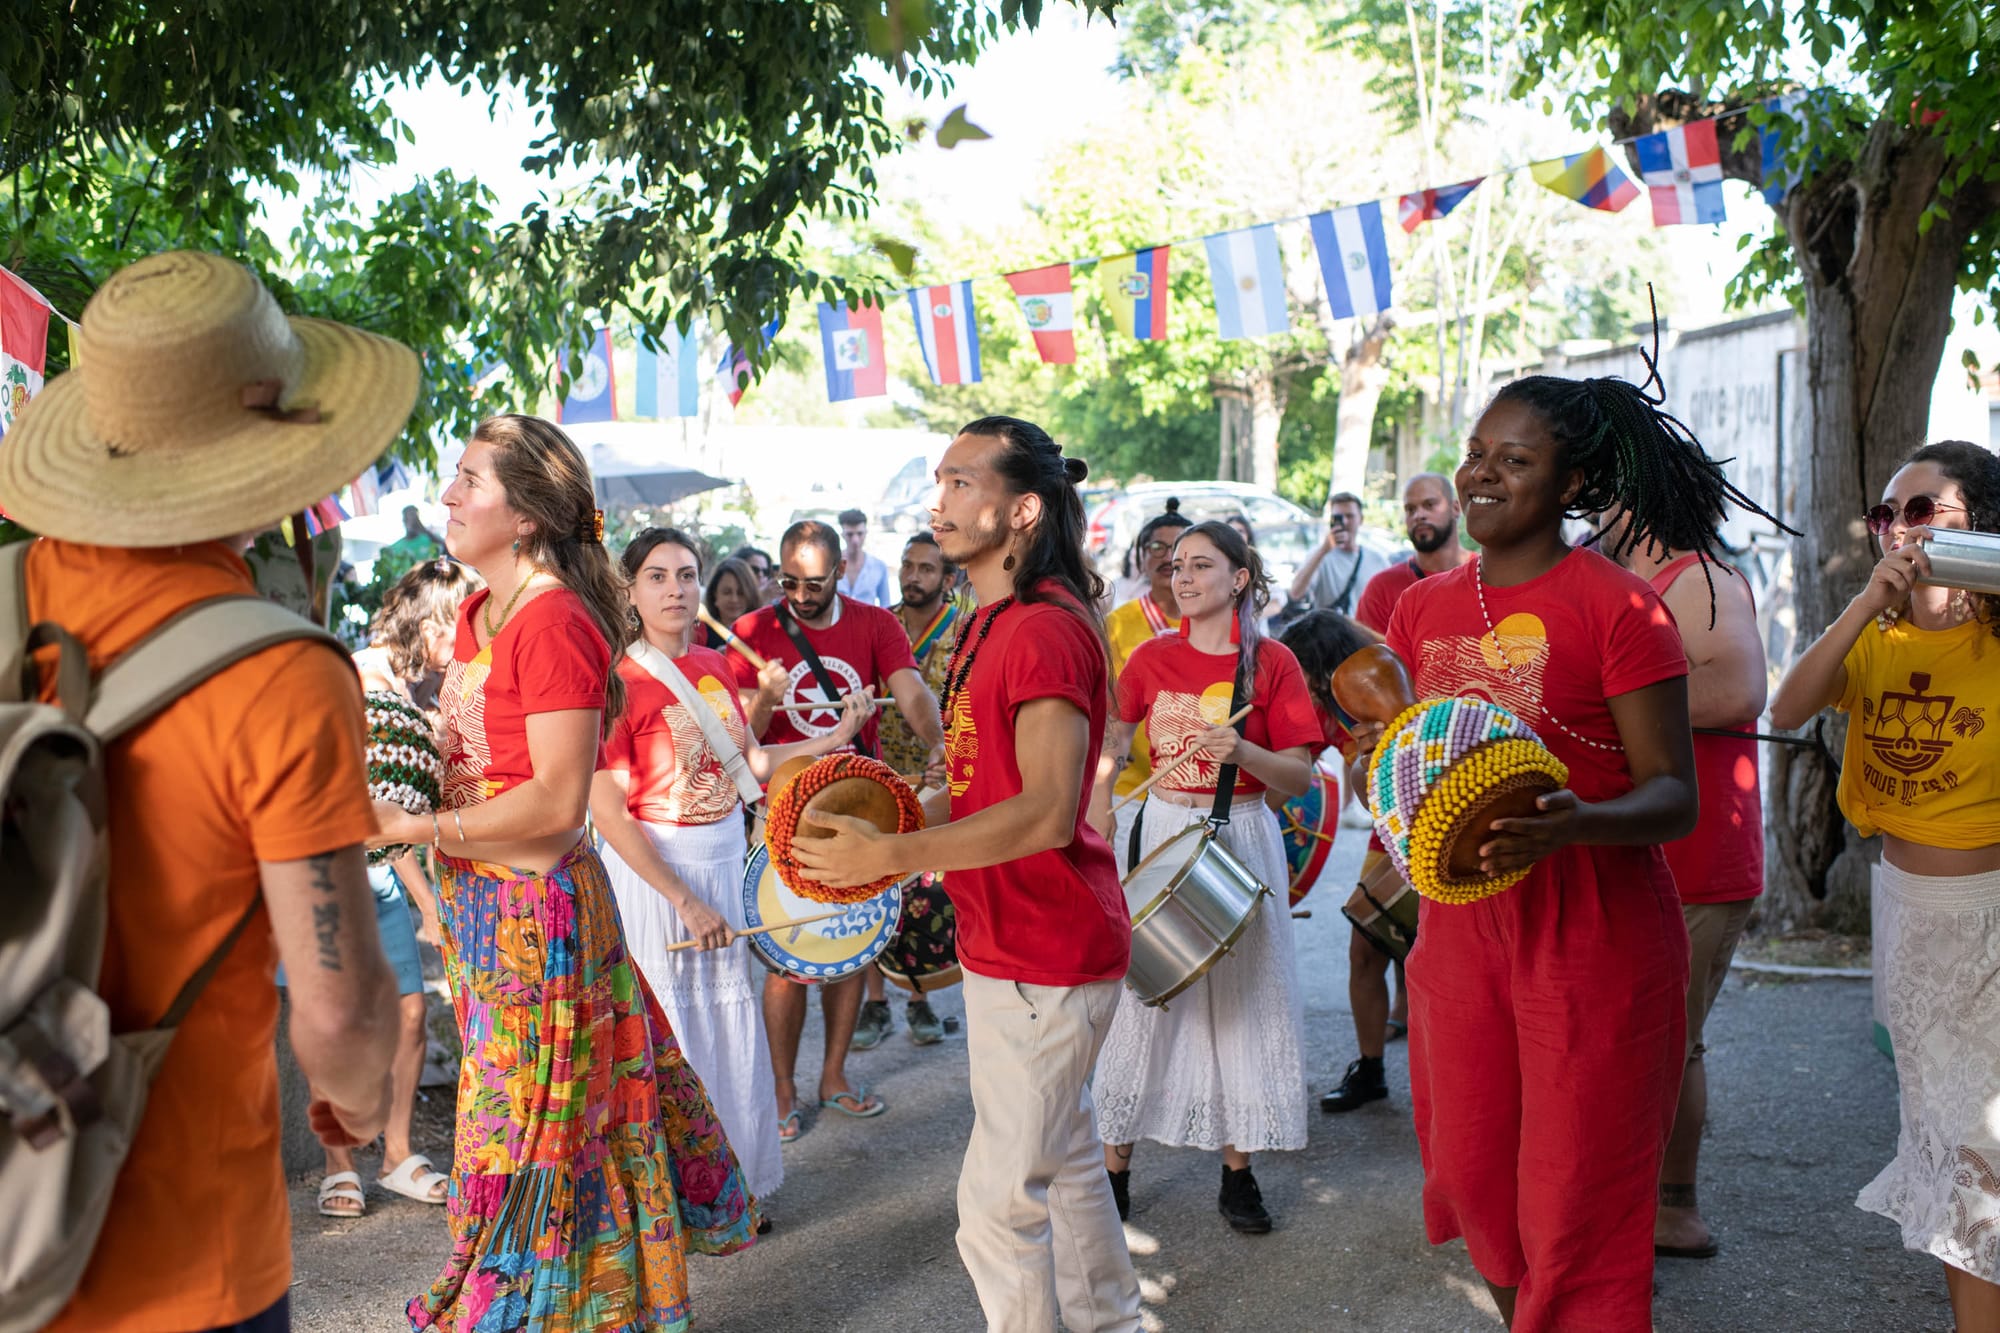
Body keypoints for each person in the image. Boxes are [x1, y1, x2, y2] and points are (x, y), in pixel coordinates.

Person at [5, 250, 402, 1333]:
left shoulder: (8, 597)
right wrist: (358, 1100)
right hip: (180, 1254)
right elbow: (339, 1011)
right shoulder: (280, 675)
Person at [1354, 366, 1780, 1331]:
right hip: (1462, 929)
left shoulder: (1621, 607)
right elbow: (1416, 756)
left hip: (1595, 930)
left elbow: (1672, 794)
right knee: (1470, 1167)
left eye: (1516, 459)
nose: (1481, 476)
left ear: (1575, 485)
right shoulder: (1420, 609)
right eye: (1475, 454)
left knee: (1575, 1194)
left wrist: (1574, 822)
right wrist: (1383, 776)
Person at [370, 413, 758, 1330]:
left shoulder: (552, 623)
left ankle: (538, 1311)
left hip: (532, 913)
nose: (450, 495)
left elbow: (552, 810)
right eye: (454, 475)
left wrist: (418, 821)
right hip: (478, 907)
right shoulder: (478, 611)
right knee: (513, 1130)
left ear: (529, 515)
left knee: (539, 1138)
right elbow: (479, 751)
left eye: (471, 480)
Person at [789, 415, 1143, 1333]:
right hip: (1010, 944)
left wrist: (892, 854)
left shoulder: (1043, 630)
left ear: (1022, 509)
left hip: (1048, 947)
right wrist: (906, 811)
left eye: (959, 484)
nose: (936, 501)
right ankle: (1112, 1320)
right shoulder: (991, 620)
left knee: (995, 1210)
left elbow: (1047, 811)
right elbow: (993, 783)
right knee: (1064, 1163)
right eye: (937, 482)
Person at [1770, 440, 2000, 1331]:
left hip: (1989, 920)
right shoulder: (1876, 637)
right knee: (1949, 1155)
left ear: (1977, 521)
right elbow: (1787, 708)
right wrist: (1867, 603)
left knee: (1983, 1156)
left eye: (1922, 510)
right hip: (1910, 922)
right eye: (1885, 516)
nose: (1897, 530)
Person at [592, 526, 874, 1201]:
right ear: (630, 591)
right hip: (657, 870)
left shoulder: (716, 665)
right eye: (657, 576)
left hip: (723, 851)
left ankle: (730, 1188)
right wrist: (684, 898)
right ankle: (670, 1203)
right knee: (671, 1035)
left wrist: (832, 737)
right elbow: (608, 811)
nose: (676, 589)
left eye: (686, 574)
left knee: (725, 1026)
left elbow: (749, 761)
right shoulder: (618, 681)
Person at [1088, 521, 1320, 1233]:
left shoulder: (1271, 663)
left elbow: (1301, 774)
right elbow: (1112, 744)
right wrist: (1096, 828)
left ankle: (1238, 1173)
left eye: (1200, 565)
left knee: (1245, 997)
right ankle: (1113, 1172)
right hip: (1162, 827)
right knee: (1148, 991)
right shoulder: (1152, 657)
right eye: (1175, 566)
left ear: (1239, 578)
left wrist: (1245, 748)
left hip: (1242, 833)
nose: (1182, 577)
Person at [724, 519, 945, 1123]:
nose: (799, 595)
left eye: (814, 583)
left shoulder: (875, 624)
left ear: (841, 571)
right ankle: (781, 1088)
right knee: (787, 960)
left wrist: (937, 740)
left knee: (853, 947)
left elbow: (913, 691)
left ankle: (833, 1075)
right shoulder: (751, 632)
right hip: (780, 815)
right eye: (788, 582)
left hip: (858, 808)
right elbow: (737, 738)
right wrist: (766, 699)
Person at [1599, 503, 1767, 1261]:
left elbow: (1736, 690)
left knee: (1663, 1046)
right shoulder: (1661, 578)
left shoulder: (1697, 578)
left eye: (1609, 495)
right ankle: (1666, 1211)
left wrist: (1608, 697)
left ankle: (1661, 1216)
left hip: (1699, 858)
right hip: (1671, 854)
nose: (1596, 510)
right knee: (1670, 1044)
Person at [300, 557, 478, 1219]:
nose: (468, 641)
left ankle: (398, 1152)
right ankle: (338, 1163)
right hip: (323, 875)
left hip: (378, 873)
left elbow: (396, 816)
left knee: (408, 1014)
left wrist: (428, 898)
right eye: (460, 624)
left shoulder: (412, 690)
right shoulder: (348, 671)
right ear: (431, 621)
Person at [1321, 471, 1468, 1114]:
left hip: (1469, 792)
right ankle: (1372, 1066)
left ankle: (1454, 1084)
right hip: (1402, 798)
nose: (1418, 515)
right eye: (1409, 508)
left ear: (1455, 508)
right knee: (1366, 941)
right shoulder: (1388, 589)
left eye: (1429, 503)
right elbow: (1366, 685)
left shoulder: (1483, 588)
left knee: (1455, 963)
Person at [862, 529, 965, 1049]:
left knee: (924, 894)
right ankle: (875, 1001)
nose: (913, 577)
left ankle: (920, 996)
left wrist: (947, 754)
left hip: (937, 780)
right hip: (882, 774)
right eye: (907, 566)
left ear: (948, 580)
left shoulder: (965, 630)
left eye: (926, 569)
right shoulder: (882, 625)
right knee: (876, 887)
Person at [1102, 500, 1194, 866]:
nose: (1166, 556)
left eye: (1178, 548)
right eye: (1156, 547)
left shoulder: (1216, 623)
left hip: (1199, 795)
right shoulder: (1118, 624)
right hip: (1133, 792)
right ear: (1140, 557)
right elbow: (1110, 712)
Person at [1289, 491, 1389, 617]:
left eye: (1350, 516)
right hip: (1331, 632)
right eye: (1338, 517)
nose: (1345, 522)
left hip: (1364, 633)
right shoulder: (1319, 555)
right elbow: (1295, 593)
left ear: (1361, 519)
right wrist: (1324, 550)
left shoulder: (1377, 560)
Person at [374, 504, 446, 587]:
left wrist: (422, 529)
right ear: (403, 520)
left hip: (430, 586)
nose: (412, 521)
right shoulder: (395, 547)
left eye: (414, 518)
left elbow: (445, 549)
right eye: (408, 518)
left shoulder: (429, 539)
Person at [701, 555, 761, 650]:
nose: (734, 599)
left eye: (741, 593)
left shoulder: (762, 632)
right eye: (727, 592)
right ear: (714, 595)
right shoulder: (700, 635)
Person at [837, 507, 894, 607]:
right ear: (842, 535)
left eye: (860, 534)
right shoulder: (831, 564)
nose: (855, 540)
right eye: (850, 534)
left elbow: (886, 605)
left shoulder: (879, 567)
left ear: (866, 532)